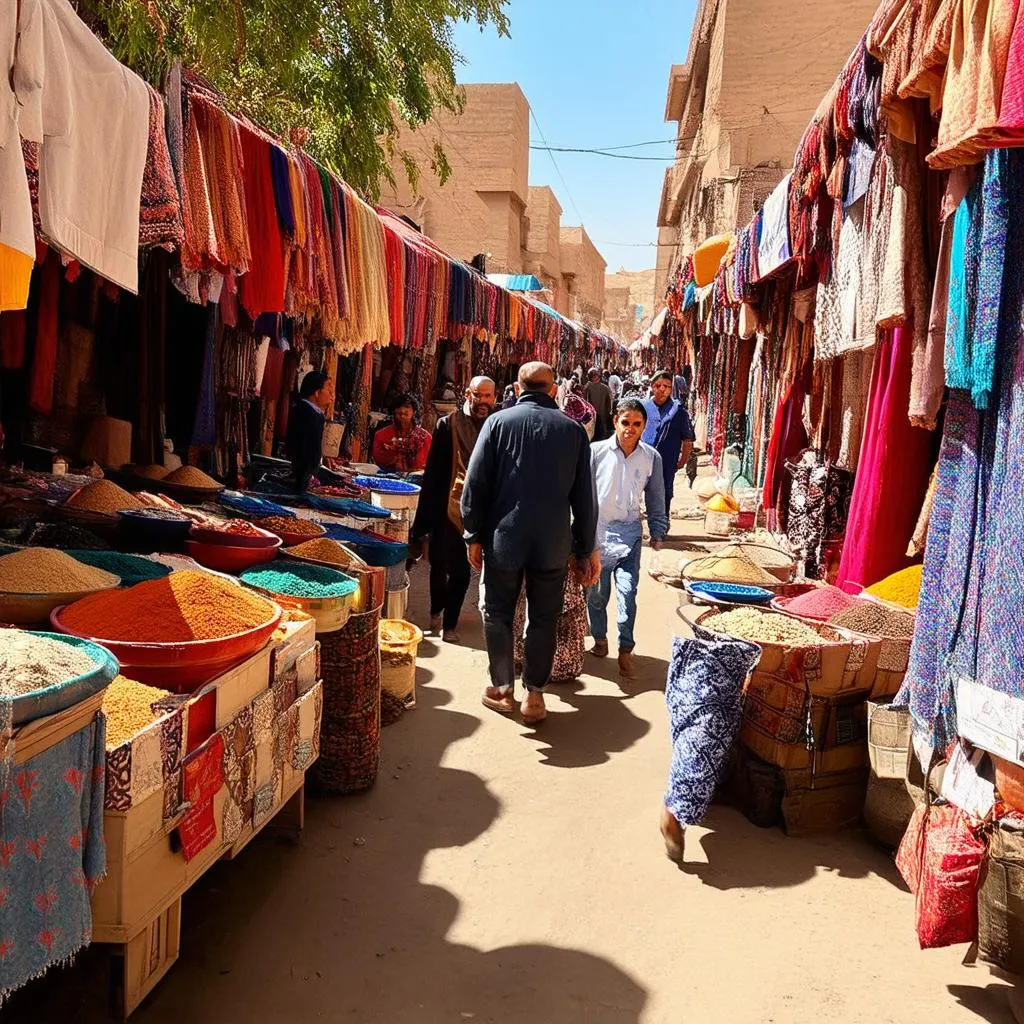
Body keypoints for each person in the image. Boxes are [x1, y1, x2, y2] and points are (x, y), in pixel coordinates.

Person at [462, 361, 599, 725]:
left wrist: (472, 534)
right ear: (554, 390)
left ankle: (502, 688)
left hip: (503, 540)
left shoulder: (497, 423)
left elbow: (475, 485)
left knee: (498, 612)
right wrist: (585, 549)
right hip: (552, 545)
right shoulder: (573, 432)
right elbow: (585, 498)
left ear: (517, 388)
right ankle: (535, 696)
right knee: (543, 618)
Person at [587, 399, 670, 678]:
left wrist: (658, 530)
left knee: (628, 591)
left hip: (631, 535)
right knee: (597, 595)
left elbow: (657, 497)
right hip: (597, 535)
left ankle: (625, 648)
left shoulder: (651, 457)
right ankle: (599, 639)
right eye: (625, 423)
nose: (630, 429)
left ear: (644, 426)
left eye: (637, 424)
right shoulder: (595, 453)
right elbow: (581, 495)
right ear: (615, 422)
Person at [410, 376, 496, 643]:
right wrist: (422, 522)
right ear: (468, 394)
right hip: (446, 507)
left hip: (478, 510)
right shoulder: (447, 425)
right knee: (439, 565)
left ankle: (450, 624)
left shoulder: (496, 427)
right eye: (478, 395)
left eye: (488, 397)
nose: (483, 402)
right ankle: (436, 610)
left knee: (461, 570)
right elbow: (434, 472)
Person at [642, 369, 695, 518]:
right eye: (658, 385)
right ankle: (653, 520)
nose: (662, 389)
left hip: (667, 461)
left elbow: (687, 440)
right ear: (652, 386)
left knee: (665, 493)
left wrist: (682, 461)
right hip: (645, 460)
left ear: (671, 389)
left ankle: (661, 524)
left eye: (667, 386)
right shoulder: (644, 407)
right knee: (647, 492)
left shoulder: (678, 411)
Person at [285, 370, 333, 492]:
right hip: (300, 475)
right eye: (328, 389)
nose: (331, 394)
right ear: (317, 392)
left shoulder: (311, 412)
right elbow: (303, 450)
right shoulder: (306, 413)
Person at [371, 393, 432, 473]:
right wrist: (395, 453)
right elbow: (378, 460)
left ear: (414, 411)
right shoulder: (380, 435)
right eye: (398, 407)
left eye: (407, 407)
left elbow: (431, 463)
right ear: (393, 412)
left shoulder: (425, 437)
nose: (402, 411)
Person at [584, 367, 613, 442]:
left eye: (595, 375)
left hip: (594, 417)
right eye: (592, 375)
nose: (594, 377)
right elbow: (610, 405)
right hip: (596, 417)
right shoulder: (605, 388)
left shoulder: (588, 387)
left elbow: (609, 404)